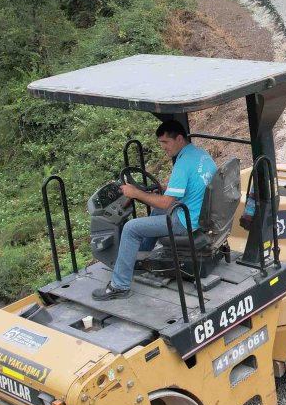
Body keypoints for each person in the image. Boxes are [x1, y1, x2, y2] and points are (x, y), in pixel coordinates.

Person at [93, 120, 216, 300]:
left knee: (131, 228)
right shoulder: (200, 155)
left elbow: (166, 203)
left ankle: (119, 286)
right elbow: (188, 185)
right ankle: (140, 256)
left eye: (165, 143)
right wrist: (160, 188)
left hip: (185, 221)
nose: (163, 148)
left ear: (179, 138)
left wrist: (135, 192)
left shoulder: (182, 164)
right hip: (199, 213)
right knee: (157, 213)